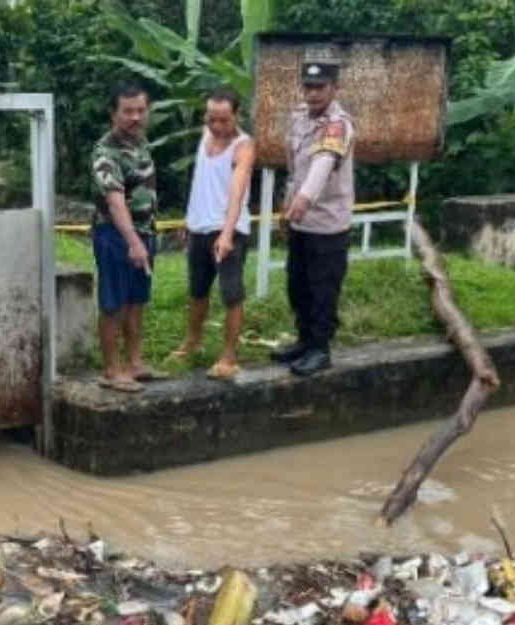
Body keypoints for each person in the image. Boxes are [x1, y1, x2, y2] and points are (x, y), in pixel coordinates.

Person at [271, 55, 356, 377]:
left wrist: (303, 200)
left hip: (328, 223)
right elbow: (295, 169)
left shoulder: (337, 125)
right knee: (298, 285)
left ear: (335, 88)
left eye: (320, 87)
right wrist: (288, 203)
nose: (313, 94)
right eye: (308, 87)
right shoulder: (299, 118)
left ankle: (321, 349)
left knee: (323, 289)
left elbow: (322, 164)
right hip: (300, 220)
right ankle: (304, 340)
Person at [170, 88, 255, 380]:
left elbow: (237, 190)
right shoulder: (205, 137)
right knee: (197, 290)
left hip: (228, 229)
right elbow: (200, 181)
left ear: (237, 115)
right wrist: (188, 219)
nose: (217, 126)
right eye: (211, 119)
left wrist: (227, 234)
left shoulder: (243, 146)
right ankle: (192, 342)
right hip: (199, 227)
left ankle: (229, 356)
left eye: (224, 120)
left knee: (231, 293)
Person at [90, 81, 164, 393]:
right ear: (113, 114)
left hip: (145, 232)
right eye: (127, 111)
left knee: (136, 301)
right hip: (115, 235)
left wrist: (143, 239)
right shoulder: (105, 151)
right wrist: (133, 242)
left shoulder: (141, 143)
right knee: (114, 303)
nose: (135, 117)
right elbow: (115, 201)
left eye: (140, 110)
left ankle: (134, 363)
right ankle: (111, 369)